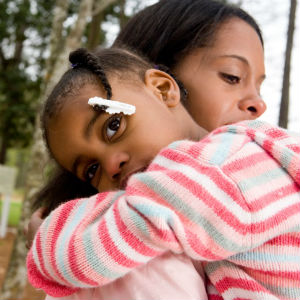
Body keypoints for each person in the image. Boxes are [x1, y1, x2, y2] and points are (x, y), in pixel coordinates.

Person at [27, 46, 300, 300]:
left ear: (162, 89)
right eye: (92, 170)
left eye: (113, 126)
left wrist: (51, 240)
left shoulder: (236, 159)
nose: (111, 166)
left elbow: (144, 218)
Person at [27, 0, 267, 216]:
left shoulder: (270, 174)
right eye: (232, 76)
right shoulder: (97, 236)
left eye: (258, 86)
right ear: (164, 84)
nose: (259, 104)